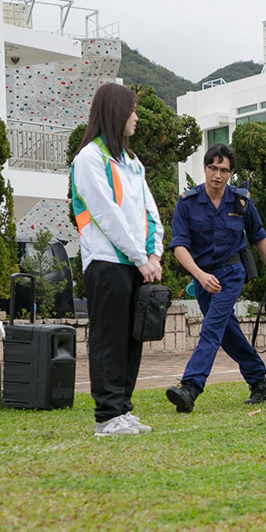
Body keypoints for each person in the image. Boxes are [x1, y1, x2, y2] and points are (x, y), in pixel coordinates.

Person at [71, 83, 164, 437]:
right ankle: (106, 416)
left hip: (138, 263)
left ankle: (123, 409)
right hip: (107, 263)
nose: (136, 117)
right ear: (115, 113)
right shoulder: (89, 159)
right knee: (108, 338)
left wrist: (153, 254)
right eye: (132, 110)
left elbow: (149, 211)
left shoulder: (132, 163)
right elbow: (106, 214)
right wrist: (140, 257)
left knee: (132, 338)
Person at [165, 143, 266, 413]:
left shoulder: (241, 201)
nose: (217, 175)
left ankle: (191, 387)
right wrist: (199, 274)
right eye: (213, 168)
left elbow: (258, 236)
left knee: (211, 328)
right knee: (226, 331)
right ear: (205, 167)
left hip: (231, 274)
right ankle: (258, 381)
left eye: (224, 170)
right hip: (203, 276)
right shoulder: (187, 202)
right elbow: (179, 246)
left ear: (231, 173)